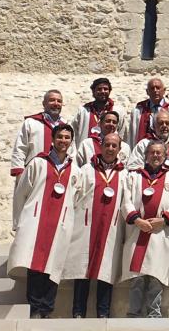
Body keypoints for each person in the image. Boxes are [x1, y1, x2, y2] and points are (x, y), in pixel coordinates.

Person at [8, 123, 79, 319]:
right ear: (53, 139)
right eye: (60, 137)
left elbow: (78, 198)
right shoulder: (38, 163)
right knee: (35, 265)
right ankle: (34, 307)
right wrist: (18, 221)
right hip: (36, 221)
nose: (63, 141)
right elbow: (21, 192)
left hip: (60, 224)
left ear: (71, 141)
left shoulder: (75, 170)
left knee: (54, 267)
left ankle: (47, 309)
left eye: (67, 138)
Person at [64, 131, 127, 318]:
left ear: (119, 149)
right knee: (81, 269)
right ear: (100, 146)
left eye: (114, 146)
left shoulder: (125, 174)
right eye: (107, 144)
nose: (110, 149)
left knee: (106, 271)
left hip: (111, 229)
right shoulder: (86, 170)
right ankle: (78, 312)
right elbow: (73, 197)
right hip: (86, 227)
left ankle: (103, 313)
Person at [120, 140, 169, 318]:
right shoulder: (134, 176)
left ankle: (154, 315)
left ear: (165, 156)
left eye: (159, 153)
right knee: (137, 278)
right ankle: (133, 313)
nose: (155, 155)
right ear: (146, 155)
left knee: (156, 277)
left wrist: (164, 220)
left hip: (160, 235)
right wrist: (137, 220)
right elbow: (126, 201)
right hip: (137, 232)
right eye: (152, 152)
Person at [10, 89, 71, 179]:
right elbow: (20, 149)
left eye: (59, 101)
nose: (56, 103)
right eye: (52, 100)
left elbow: (71, 151)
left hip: (59, 175)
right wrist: (19, 174)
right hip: (34, 175)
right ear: (44, 104)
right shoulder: (31, 123)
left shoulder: (67, 126)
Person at [128, 109, 169, 174]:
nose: (164, 126)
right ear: (154, 125)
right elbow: (133, 168)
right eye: (160, 123)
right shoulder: (143, 145)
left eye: (167, 123)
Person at [128, 77, 169, 145]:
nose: (155, 90)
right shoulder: (138, 111)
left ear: (164, 90)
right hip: (144, 150)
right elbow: (131, 136)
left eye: (158, 88)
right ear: (147, 92)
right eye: (152, 88)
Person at [71, 77, 127, 145]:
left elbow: (122, 134)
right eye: (99, 89)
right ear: (93, 91)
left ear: (109, 91)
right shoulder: (83, 111)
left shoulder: (118, 111)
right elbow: (74, 132)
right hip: (88, 151)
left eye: (105, 89)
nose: (103, 91)